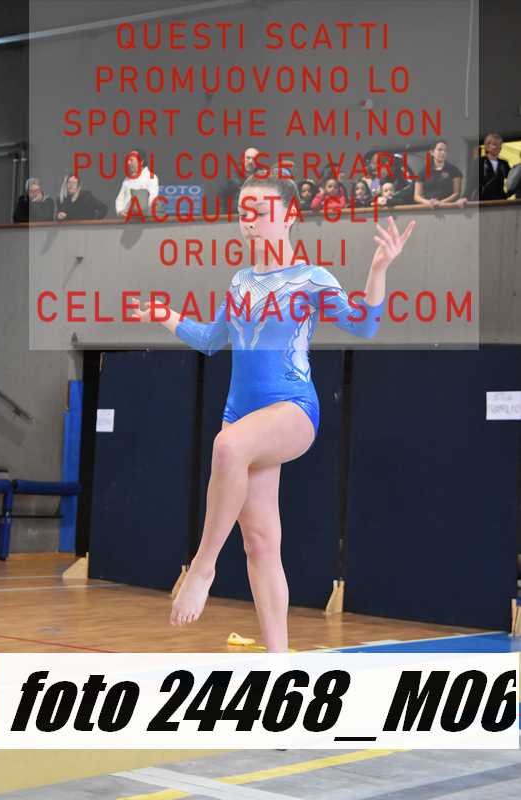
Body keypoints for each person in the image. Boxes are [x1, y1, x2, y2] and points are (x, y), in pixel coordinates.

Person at [132, 174, 415, 652]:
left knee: (227, 446)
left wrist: (378, 270)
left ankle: (202, 567)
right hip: (241, 413)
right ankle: (278, 661)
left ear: (289, 216)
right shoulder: (240, 281)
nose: (250, 220)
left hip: (292, 410)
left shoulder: (311, 278)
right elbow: (211, 340)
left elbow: (364, 325)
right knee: (260, 542)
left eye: (260, 210)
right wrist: (166, 315)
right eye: (243, 211)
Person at [414, 141, 466, 208]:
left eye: (445, 150)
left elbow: (456, 194)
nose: (443, 152)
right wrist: (428, 202)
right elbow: (417, 196)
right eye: (440, 150)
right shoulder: (423, 171)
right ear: (432, 152)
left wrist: (440, 203)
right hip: (429, 208)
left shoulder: (454, 170)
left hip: (448, 208)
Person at [115, 148, 159, 217]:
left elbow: (152, 198)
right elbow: (120, 198)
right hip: (126, 219)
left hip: (142, 220)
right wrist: (120, 211)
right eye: (128, 160)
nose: (128, 163)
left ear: (141, 162)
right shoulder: (127, 179)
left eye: (131, 160)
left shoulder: (151, 177)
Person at [217, 146, 260, 211]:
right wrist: (224, 215)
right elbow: (221, 198)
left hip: (256, 214)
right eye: (248, 158)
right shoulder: (231, 177)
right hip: (235, 214)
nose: (250, 161)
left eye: (254, 159)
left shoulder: (263, 177)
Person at [473, 133, 512, 201]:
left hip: (500, 199)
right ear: (487, 146)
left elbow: (512, 180)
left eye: (500, 144)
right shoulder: (479, 161)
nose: (498, 147)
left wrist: (508, 194)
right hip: (483, 199)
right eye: (495, 144)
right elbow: (471, 181)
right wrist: (465, 196)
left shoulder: (504, 163)